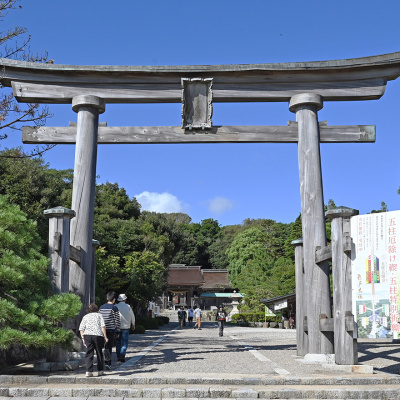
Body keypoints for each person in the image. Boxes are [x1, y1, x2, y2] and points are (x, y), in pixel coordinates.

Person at [79, 303, 109, 377]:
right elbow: (103, 326)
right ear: (96, 309)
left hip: (87, 335)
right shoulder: (99, 315)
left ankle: (88, 371)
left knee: (89, 353)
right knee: (99, 353)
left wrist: (83, 338)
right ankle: (100, 371)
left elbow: (81, 328)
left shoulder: (85, 316)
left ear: (88, 310)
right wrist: (105, 336)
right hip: (98, 335)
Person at [99, 291, 121, 369]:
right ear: (114, 299)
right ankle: (108, 363)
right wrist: (118, 331)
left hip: (102, 329)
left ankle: (101, 362)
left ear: (107, 298)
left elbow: (99, 319)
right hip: (111, 329)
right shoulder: (114, 308)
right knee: (109, 347)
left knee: (102, 347)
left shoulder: (101, 307)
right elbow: (117, 320)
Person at [115, 293, 135, 363]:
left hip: (117, 327)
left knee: (118, 342)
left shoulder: (115, 306)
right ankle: (122, 354)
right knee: (124, 342)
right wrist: (133, 324)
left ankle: (118, 356)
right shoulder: (128, 306)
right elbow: (132, 316)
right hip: (126, 326)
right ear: (124, 299)